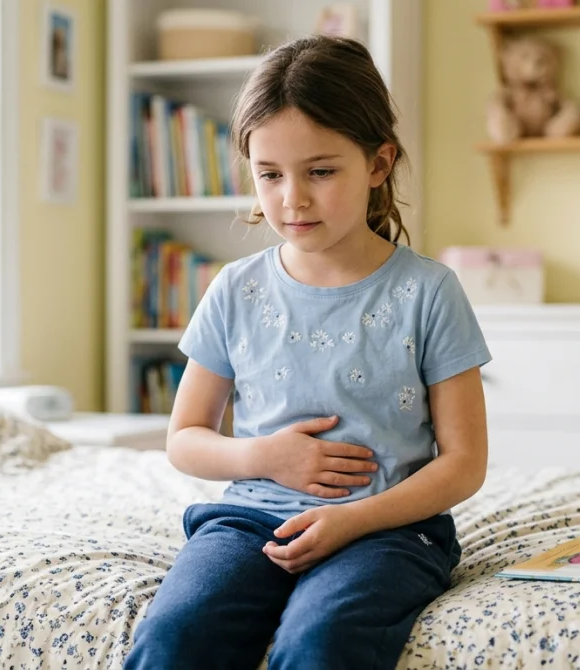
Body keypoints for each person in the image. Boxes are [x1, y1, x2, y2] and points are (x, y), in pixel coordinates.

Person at [124, 34, 492, 670]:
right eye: (270, 174)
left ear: (379, 164)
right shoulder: (235, 289)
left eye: (320, 171)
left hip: (387, 532)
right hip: (248, 524)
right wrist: (265, 456)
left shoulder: (429, 292)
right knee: (173, 638)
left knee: (319, 644)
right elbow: (185, 437)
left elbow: (464, 463)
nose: (292, 198)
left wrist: (353, 521)